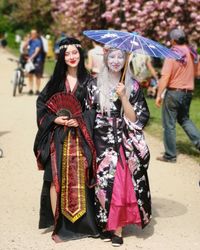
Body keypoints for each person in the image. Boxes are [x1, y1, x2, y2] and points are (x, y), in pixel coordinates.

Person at [33, 37, 99, 242]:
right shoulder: (54, 83)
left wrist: (80, 120)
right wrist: (55, 119)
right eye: (67, 53)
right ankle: (58, 225)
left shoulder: (90, 82)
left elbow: (96, 111)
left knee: (82, 179)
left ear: (81, 54)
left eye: (75, 53)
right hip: (58, 137)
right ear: (62, 57)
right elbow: (42, 106)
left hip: (81, 137)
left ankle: (84, 224)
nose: (72, 57)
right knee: (55, 178)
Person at [93, 47, 151, 246]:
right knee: (102, 183)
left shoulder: (133, 86)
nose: (116, 61)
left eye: (120, 57)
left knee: (119, 183)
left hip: (123, 141)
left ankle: (118, 229)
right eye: (112, 57)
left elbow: (136, 119)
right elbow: (87, 114)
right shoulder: (94, 84)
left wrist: (124, 96)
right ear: (106, 59)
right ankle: (106, 224)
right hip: (100, 140)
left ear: (126, 60)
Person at [155, 28, 200, 163]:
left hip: (174, 93)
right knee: (185, 119)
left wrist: (158, 95)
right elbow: (197, 74)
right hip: (188, 93)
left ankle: (170, 155)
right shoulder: (192, 53)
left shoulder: (172, 54)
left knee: (169, 124)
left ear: (173, 40)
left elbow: (165, 76)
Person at [23, 29, 45, 95]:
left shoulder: (38, 41)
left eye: (33, 34)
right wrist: (27, 41)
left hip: (37, 60)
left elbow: (37, 51)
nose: (32, 35)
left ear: (36, 34)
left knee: (37, 75)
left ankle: (37, 90)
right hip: (31, 60)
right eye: (31, 34)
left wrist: (31, 58)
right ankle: (30, 89)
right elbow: (24, 47)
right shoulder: (30, 41)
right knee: (30, 75)